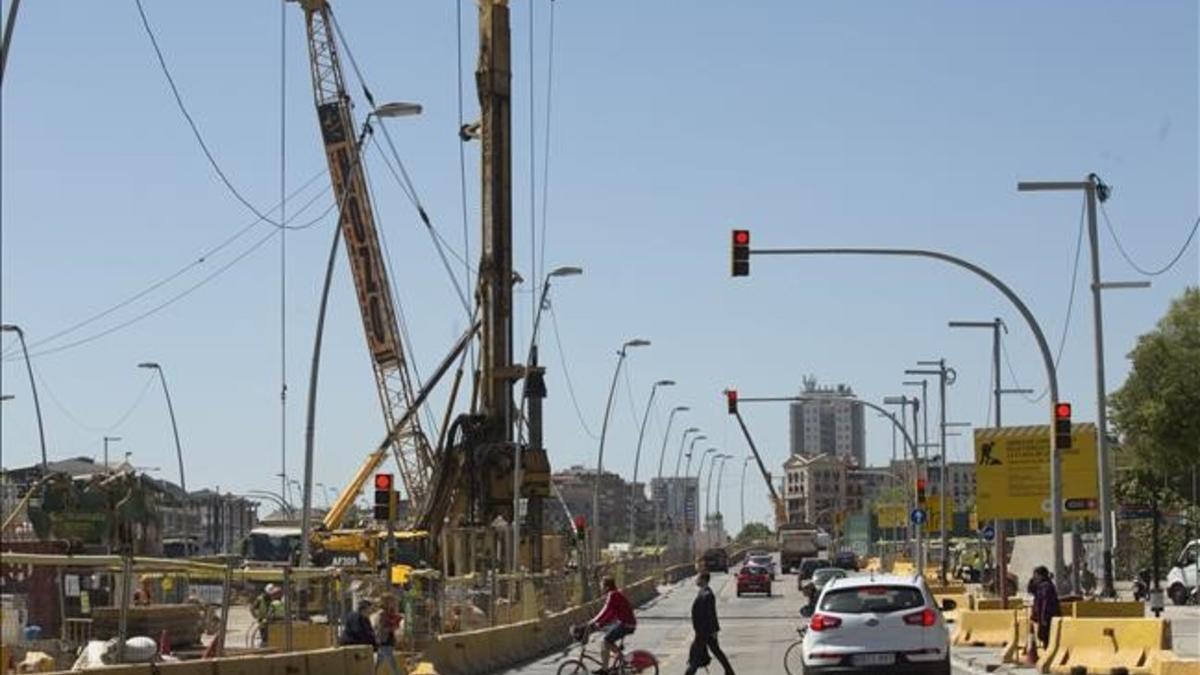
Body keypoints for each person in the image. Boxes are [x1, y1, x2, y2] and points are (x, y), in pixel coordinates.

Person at [686, 572, 735, 675]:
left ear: (703, 580)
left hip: (705, 631)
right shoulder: (703, 592)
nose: (696, 580)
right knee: (715, 651)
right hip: (703, 630)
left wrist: (713, 630)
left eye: (698, 578)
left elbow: (711, 614)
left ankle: (689, 672)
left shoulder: (707, 594)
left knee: (697, 653)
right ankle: (729, 671)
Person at [588, 576, 636, 674]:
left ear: (607, 586)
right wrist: (600, 624)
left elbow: (605, 611)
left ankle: (606, 669)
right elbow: (611, 614)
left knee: (606, 641)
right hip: (625, 623)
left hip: (626, 624)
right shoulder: (615, 594)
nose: (600, 587)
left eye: (601, 585)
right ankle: (620, 661)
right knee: (606, 641)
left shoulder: (612, 595)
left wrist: (593, 621)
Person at [1030, 566, 1060, 648]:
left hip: (1047, 617)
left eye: (1035, 575)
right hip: (1044, 617)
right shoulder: (1041, 586)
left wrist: (1043, 618)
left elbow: (1045, 603)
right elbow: (1031, 590)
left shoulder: (1046, 587)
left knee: (1046, 637)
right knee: (1043, 637)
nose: (1034, 577)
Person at [373, 595, 404, 675]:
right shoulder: (382, 614)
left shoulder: (387, 613)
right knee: (392, 663)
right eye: (391, 601)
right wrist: (393, 627)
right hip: (384, 641)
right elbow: (381, 628)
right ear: (386, 602)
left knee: (380, 662)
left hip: (386, 641)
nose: (393, 603)